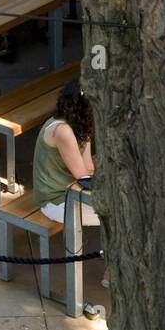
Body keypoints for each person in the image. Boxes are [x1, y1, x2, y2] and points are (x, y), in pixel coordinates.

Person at [33, 77, 99, 225]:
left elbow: (88, 166)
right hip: (56, 201)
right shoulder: (63, 131)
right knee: (121, 215)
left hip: (73, 191)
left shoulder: (81, 126)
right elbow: (83, 177)